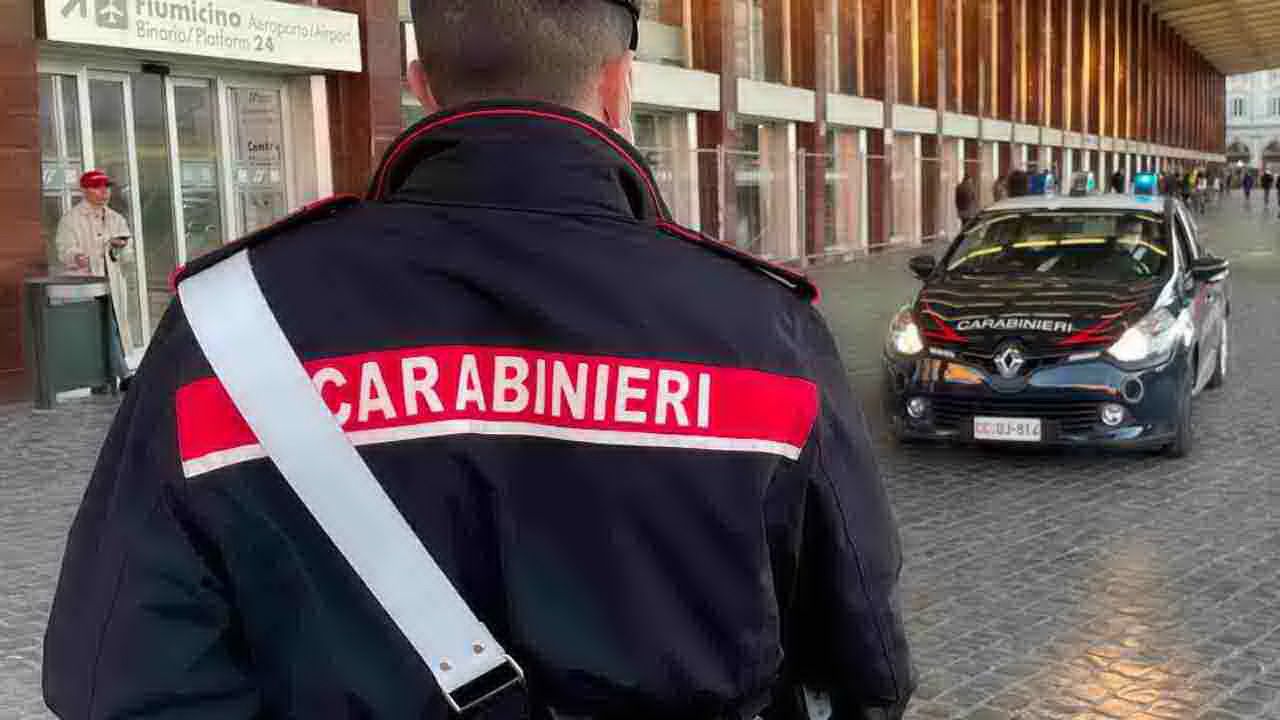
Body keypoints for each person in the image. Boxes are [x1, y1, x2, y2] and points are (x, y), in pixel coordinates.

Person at [43, 1, 914, 719]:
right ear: (618, 87)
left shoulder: (229, 327)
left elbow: (109, 676)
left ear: (423, 86)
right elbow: (866, 655)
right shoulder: (761, 328)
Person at [52, 169, 132, 388]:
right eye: (97, 187)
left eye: (106, 186)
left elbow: (128, 256)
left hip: (111, 283)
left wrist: (119, 249)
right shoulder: (71, 220)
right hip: (86, 284)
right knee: (103, 329)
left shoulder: (116, 218)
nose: (104, 191)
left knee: (109, 328)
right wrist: (76, 257)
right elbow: (64, 249)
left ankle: (105, 380)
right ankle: (123, 374)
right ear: (85, 190)